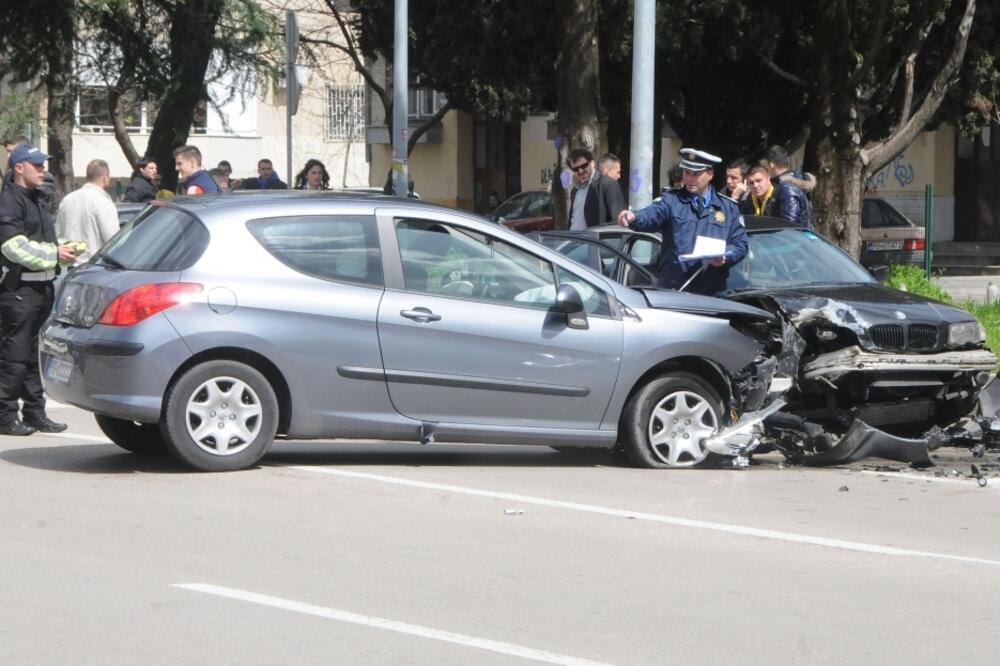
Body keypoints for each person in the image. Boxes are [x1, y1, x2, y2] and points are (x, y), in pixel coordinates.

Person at [0, 144, 76, 435]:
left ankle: (34, 412)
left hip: (41, 289)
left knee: (32, 356)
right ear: (19, 168)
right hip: (19, 292)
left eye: (44, 165)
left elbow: (40, 241)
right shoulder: (9, 200)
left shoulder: (37, 198)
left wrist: (65, 249)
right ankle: (5, 415)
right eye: (38, 166)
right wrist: (55, 255)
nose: (44, 171)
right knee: (14, 356)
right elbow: (13, 246)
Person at [617, 147, 747, 296]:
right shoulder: (672, 200)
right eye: (687, 173)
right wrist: (634, 217)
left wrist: (725, 257)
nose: (690, 179)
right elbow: (652, 214)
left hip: (713, 293)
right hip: (674, 291)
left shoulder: (728, 207)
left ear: (710, 174)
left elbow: (740, 244)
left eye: (696, 174)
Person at [55, 159, 119, 263]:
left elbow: (58, 234)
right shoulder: (104, 202)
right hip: (94, 267)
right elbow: (113, 239)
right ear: (105, 176)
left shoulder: (67, 199)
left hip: (67, 265)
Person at [567, 148, 627, 230]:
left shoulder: (608, 184)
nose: (580, 171)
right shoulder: (575, 189)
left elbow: (617, 221)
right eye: (576, 169)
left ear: (592, 163)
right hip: (575, 240)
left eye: (584, 166)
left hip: (594, 240)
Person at [764, 145, 814, 227]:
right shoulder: (788, 184)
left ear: (771, 164)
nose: (766, 169)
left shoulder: (786, 188)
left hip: (791, 239)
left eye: (766, 166)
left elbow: (789, 226)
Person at [4, 136, 55, 208]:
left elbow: (38, 205)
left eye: (12, 151)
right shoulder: (8, 176)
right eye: (7, 151)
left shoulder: (42, 177)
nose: (8, 156)